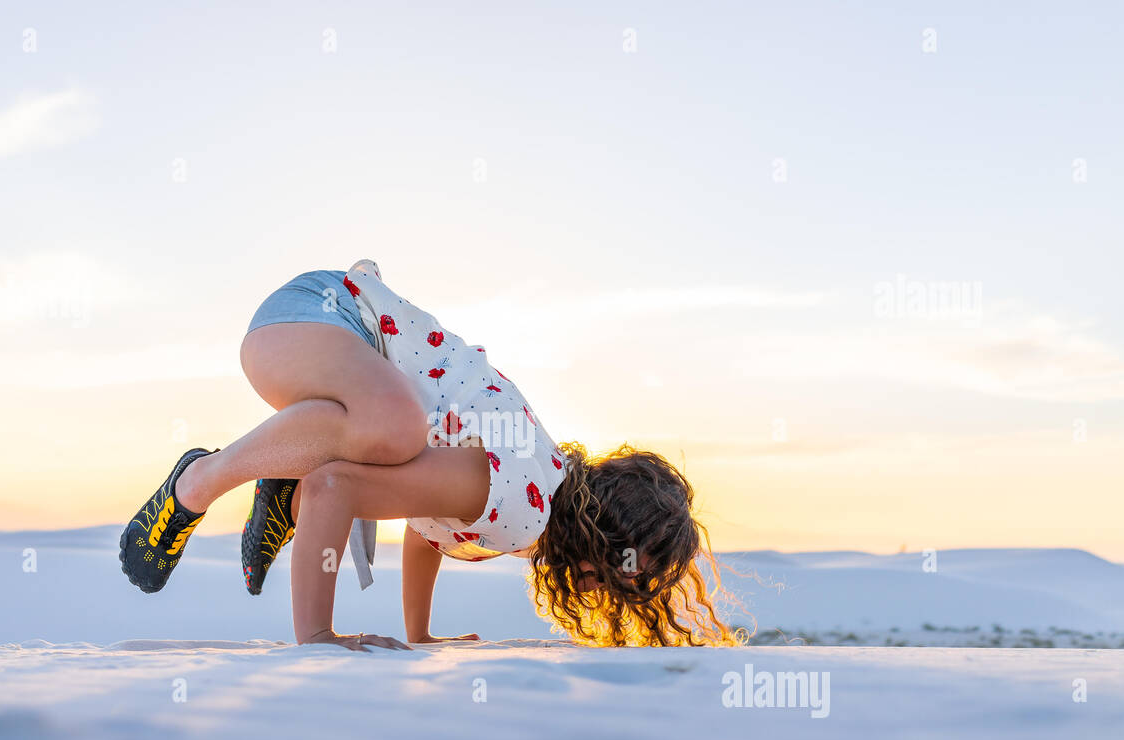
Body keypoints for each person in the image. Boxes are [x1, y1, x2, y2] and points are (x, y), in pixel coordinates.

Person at [120, 260, 736, 651]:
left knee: (390, 433)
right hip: (316, 317)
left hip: (319, 341)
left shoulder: (527, 504)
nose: (618, 581)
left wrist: (421, 634)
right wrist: (317, 636)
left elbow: (425, 533)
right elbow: (336, 491)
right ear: (601, 524)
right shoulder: (526, 507)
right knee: (394, 429)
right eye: (628, 563)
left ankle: (287, 470)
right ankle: (197, 484)